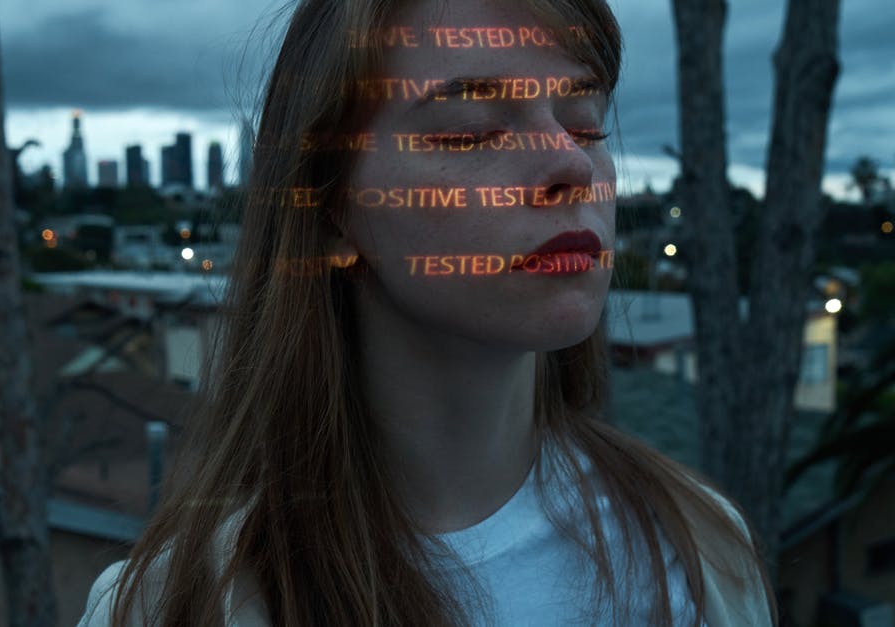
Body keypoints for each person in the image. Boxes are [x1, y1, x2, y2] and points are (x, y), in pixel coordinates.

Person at [79, 0, 776, 624]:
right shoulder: (169, 605)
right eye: (470, 133)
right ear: (330, 213)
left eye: (586, 125)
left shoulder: (698, 549)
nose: (573, 164)